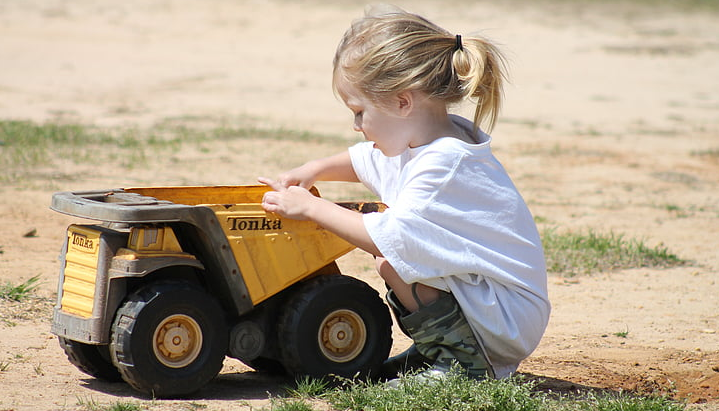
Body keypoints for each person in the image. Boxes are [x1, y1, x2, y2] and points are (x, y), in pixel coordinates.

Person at [259, 5, 550, 383]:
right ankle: (438, 349)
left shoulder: (443, 165)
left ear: (402, 101)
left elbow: (387, 235)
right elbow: (365, 160)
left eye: (360, 112)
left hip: (505, 318)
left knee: (391, 258)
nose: (356, 125)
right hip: (498, 308)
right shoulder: (430, 139)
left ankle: (462, 364)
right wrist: (312, 170)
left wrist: (313, 207)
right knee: (394, 261)